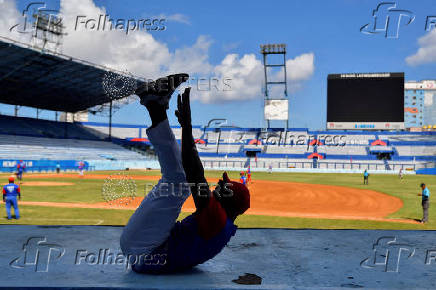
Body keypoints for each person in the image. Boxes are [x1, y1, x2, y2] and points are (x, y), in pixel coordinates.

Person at [120, 74, 250, 273]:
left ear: (229, 202)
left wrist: (187, 126)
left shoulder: (217, 220)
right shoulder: (222, 226)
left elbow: (195, 173)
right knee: (179, 182)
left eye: (224, 188)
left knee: (179, 181)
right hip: (147, 249)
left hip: (143, 250)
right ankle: (155, 105)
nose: (218, 186)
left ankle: (154, 104)